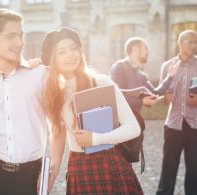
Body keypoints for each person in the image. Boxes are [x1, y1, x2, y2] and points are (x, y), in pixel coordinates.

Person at [41, 27, 143, 194]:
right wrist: (47, 184)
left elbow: (133, 128)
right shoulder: (54, 95)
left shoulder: (100, 81)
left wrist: (96, 139)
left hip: (109, 162)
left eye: (74, 48)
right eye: (62, 51)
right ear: (52, 59)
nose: (71, 54)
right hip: (78, 167)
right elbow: (57, 144)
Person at [0, 9, 48, 195]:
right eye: (11, 36)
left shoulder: (41, 75)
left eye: (21, 35)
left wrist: (48, 171)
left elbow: (61, 124)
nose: (19, 43)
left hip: (32, 176)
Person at [156, 30, 197, 195]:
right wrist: (167, 94)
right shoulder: (167, 66)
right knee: (169, 166)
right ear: (180, 43)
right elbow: (163, 99)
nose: (194, 46)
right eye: (190, 42)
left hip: (195, 125)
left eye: (195, 42)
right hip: (173, 124)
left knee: (194, 168)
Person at [110, 37, 179, 114]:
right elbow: (115, 94)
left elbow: (155, 93)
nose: (148, 52)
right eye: (145, 48)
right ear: (135, 50)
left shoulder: (141, 75)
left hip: (134, 120)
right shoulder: (119, 66)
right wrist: (141, 101)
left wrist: (170, 76)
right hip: (119, 121)